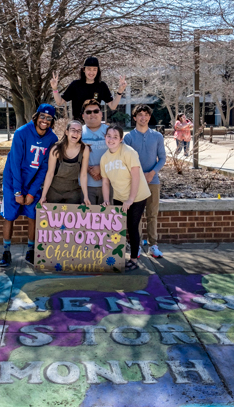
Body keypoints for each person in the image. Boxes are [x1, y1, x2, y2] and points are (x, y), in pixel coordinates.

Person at [0, 104, 59, 268]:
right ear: (36, 116)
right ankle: (6, 251)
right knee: (9, 216)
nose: (45, 121)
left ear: (52, 121)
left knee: (33, 215)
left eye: (49, 118)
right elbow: (15, 163)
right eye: (42, 117)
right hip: (13, 181)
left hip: (32, 183)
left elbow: (45, 167)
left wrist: (31, 192)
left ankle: (31, 251)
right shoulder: (21, 132)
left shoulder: (52, 138)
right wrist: (17, 191)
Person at [101, 125, 151, 271]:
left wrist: (130, 199)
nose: (111, 139)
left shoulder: (128, 152)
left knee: (132, 226)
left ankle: (134, 259)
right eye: (109, 136)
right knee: (118, 228)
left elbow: (136, 176)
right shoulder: (104, 158)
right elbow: (105, 181)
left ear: (121, 139)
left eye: (115, 137)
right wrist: (106, 200)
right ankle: (118, 257)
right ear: (105, 137)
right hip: (119, 195)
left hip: (137, 195)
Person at [125, 104, 167, 258]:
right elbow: (125, 160)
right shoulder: (128, 137)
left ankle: (153, 245)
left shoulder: (157, 136)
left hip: (153, 180)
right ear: (135, 117)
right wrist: (138, 175)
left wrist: (152, 173)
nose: (143, 117)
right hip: (135, 182)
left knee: (152, 214)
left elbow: (162, 157)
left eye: (146, 114)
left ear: (149, 117)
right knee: (136, 215)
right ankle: (137, 244)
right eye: (140, 114)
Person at [50, 57, 127, 119]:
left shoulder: (101, 86)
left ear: (98, 71)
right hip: (78, 124)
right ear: (84, 70)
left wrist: (120, 91)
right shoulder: (75, 85)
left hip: (94, 123)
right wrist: (55, 89)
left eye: (94, 69)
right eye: (89, 69)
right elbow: (59, 102)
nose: (91, 72)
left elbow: (113, 106)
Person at [40, 119, 91, 205]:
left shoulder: (84, 149)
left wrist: (86, 196)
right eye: (73, 130)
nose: (76, 133)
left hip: (73, 191)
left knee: (72, 217)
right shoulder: (56, 149)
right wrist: (43, 195)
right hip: (54, 190)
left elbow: (83, 175)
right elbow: (50, 173)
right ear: (66, 132)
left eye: (79, 131)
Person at [80, 99, 111, 204]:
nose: (92, 114)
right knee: (86, 219)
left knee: (107, 219)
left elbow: (120, 155)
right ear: (83, 116)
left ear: (101, 114)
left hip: (108, 184)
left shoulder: (110, 132)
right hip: (85, 187)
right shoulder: (78, 132)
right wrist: (88, 169)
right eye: (88, 112)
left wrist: (101, 169)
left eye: (96, 111)